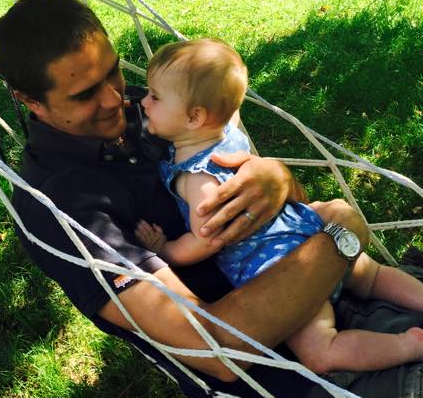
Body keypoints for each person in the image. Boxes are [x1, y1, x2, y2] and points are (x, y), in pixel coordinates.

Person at [0, 0, 423, 398]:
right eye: (85, 95)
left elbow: (273, 200)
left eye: (111, 71)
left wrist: (278, 180)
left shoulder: (157, 108)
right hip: (302, 383)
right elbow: (217, 349)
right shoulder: (58, 206)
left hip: (342, 287)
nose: (115, 98)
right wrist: (343, 233)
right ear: (29, 101)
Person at [135, 37, 423, 374]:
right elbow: (231, 106)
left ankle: (409, 344)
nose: (144, 102)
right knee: (372, 276)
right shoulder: (228, 132)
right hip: (312, 234)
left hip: (282, 271)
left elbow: (208, 237)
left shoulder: (195, 179)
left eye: (155, 96)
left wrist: (166, 250)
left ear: (195, 117)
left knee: (322, 352)